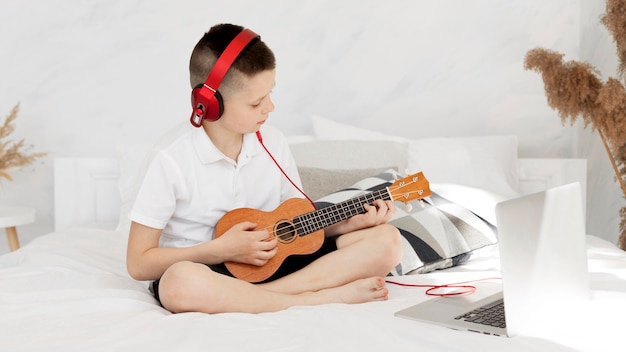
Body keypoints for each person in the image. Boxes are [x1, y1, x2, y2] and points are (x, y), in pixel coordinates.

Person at [126, 23, 403, 314]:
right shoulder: (169, 158)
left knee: (387, 242)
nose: (269, 107)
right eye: (256, 102)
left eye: (269, 94)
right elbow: (138, 263)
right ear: (210, 104)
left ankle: (254, 297)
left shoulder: (273, 142)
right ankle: (316, 297)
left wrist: (345, 225)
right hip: (207, 268)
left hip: (275, 261)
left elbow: (293, 223)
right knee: (178, 284)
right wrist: (220, 250)